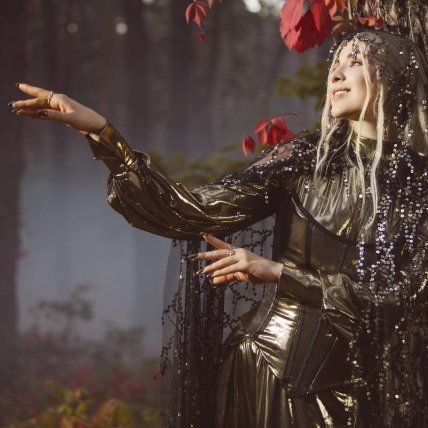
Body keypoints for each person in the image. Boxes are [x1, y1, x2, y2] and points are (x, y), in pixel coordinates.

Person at [10, 29, 428, 427]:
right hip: (270, 373)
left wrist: (279, 273)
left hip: (374, 391)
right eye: (334, 63)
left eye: (354, 62)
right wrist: (103, 135)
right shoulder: (303, 160)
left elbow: (406, 301)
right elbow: (189, 212)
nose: (335, 73)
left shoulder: (419, 185)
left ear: (391, 76)